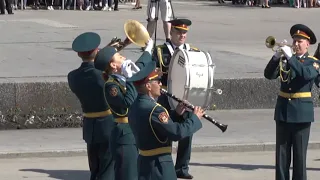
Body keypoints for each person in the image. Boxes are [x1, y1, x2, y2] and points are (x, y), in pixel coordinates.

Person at [126, 61, 204, 180]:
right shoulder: (155, 109)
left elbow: (154, 127)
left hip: (144, 163)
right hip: (159, 165)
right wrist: (194, 118)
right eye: (157, 81)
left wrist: (175, 114)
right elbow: (177, 133)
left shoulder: (135, 105)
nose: (161, 84)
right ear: (148, 86)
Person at [264, 24, 319, 180]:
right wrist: (275, 59)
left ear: (307, 44)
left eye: (299, 41)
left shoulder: (312, 62)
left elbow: (305, 74)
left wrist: (290, 57)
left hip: (301, 114)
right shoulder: (286, 59)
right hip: (283, 111)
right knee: (281, 156)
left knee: (299, 156)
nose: (295, 44)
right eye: (294, 41)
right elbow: (269, 75)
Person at [93, 38, 154, 180]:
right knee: (128, 174)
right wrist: (131, 79)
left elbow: (142, 64)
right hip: (124, 133)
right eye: (120, 57)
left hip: (134, 130)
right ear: (113, 65)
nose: (124, 58)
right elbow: (128, 101)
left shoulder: (123, 77)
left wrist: (148, 49)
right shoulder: (111, 85)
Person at [151, 18, 199, 179]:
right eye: (178, 32)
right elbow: (152, 73)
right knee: (166, 131)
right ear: (171, 32)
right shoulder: (159, 51)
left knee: (186, 133)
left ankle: (182, 168)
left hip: (185, 98)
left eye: (184, 33)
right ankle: (165, 167)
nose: (182, 35)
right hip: (166, 96)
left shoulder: (193, 51)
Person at [67, 32, 115, 180]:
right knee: (107, 170)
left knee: (95, 169)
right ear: (96, 51)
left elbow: (92, 69)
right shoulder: (104, 75)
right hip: (107, 124)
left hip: (90, 127)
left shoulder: (73, 76)